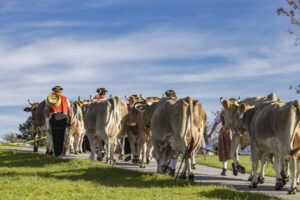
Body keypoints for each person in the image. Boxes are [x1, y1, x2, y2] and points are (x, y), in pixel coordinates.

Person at [207, 111, 232, 176]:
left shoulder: (222, 113)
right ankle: (234, 164)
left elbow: (215, 123)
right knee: (233, 149)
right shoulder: (233, 112)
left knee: (224, 150)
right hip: (232, 132)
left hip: (224, 132)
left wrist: (211, 133)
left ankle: (225, 169)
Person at [49, 86, 71, 157]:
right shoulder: (65, 98)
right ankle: (61, 153)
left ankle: (57, 154)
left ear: (54, 91)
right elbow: (69, 109)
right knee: (61, 136)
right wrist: (69, 120)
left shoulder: (51, 98)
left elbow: (47, 109)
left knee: (55, 136)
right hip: (64, 118)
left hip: (55, 117)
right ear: (61, 91)